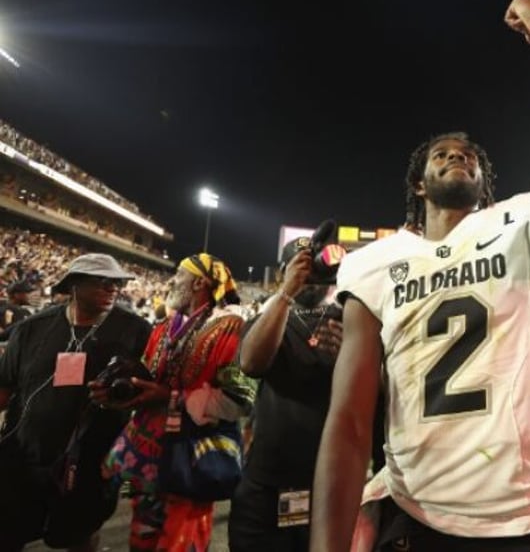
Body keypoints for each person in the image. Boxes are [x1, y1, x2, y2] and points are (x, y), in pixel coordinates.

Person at [310, 0, 530, 551]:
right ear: (419, 184)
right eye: (443, 155)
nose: (458, 156)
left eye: (468, 155)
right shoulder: (373, 264)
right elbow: (350, 422)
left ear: (484, 182)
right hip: (420, 517)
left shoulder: (523, 227)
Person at [101, 252, 255, 551]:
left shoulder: (230, 328)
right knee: (141, 537)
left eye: (179, 275)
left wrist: (172, 397)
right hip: (144, 462)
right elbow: (148, 377)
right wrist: (121, 390)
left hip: (191, 461)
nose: (172, 280)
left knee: (180, 541)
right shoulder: (164, 327)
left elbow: (239, 400)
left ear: (199, 283)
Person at [0, 253, 151, 551]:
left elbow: (151, 391)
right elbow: (4, 385)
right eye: (102, 281)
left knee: (80, 533)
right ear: (73, 285)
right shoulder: (32, 328)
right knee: (8, 530)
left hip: (92, 459)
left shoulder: (136, 331)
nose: (113, 289)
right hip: (24, 454)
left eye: (117, 283)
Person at [227, 236, 345, 551]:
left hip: (329, 482)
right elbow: (251, 362)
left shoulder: (348, 321)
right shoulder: (271, 319)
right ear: (285, 272)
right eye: (300, 270)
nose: (310, 279)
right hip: (267, 481)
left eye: (315, 270)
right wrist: (286, 293)